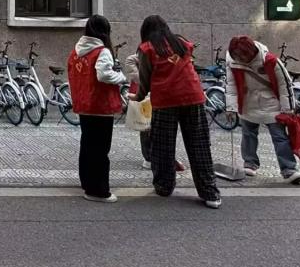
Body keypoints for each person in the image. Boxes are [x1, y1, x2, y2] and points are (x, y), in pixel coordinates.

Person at [135, 15, 221, 209]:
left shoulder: (147, 48)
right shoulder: (181, 43)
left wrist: (137, 97)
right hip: (193, 97)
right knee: (199, 145)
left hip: (165, 101)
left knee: (162, 146)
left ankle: (164, 186)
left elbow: (145, 79)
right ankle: (210, 193)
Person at [226, 36, 300, 184]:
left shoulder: (270, 60)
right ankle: (249, 163)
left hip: (272, 104)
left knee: (280, 137)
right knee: (248, 135)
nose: (240, 58)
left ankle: (289, 170)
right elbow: (231, 85)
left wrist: (288, 109)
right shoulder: (232, 62)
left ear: (251, 51)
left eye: (243, 55)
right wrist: (231, 107)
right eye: (236, 55)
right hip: (248, 103)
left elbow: (285, 85)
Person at [68, 15, 126, 203]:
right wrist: (121, 77)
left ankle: (87, 182)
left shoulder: (76, 51)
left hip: (84, 105)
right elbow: (104, 75)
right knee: (101, 149)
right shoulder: (102, 51)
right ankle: (98, 190)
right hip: (100, 106)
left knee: (87, 145)